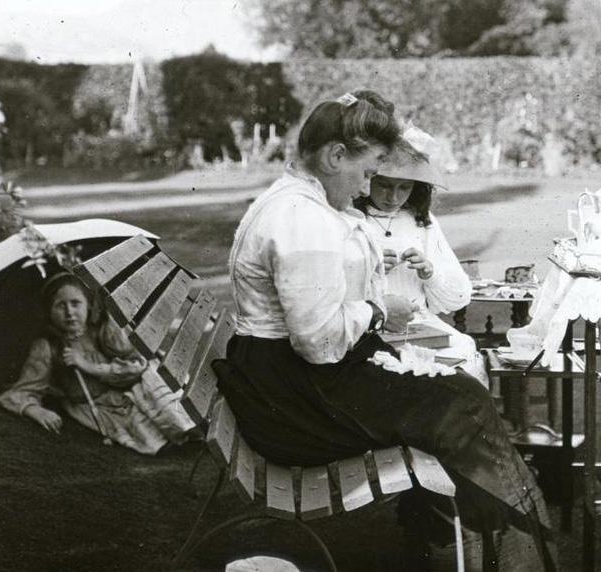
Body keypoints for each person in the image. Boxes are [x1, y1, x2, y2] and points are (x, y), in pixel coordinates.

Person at [221, 89, 556, 570]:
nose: (365, 187)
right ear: (336, 155)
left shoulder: (297, 204)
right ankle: (515, 558)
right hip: (293, 399)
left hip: (285, 383)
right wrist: (377, 311)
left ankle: (470, 546)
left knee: (459, 397)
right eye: (368, 169)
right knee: (464, 404)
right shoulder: (301, 219)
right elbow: (317, 341)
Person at [0, 272, 196, 455]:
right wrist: (35, 410)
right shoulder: (48, 346)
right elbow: (21, 391)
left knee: (153, 378)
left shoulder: (102, 330)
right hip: (100, 405)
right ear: (49, 312)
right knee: (151, 434)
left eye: (76, 303)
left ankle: (188, 426)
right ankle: (173, 441)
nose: (69, 312)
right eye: (60, 306)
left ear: (88, 305)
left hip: (130, 386)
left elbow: (136, 364)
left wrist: (86, 365)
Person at [355, 124, 488, 386]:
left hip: (419, 326)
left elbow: (459, 297)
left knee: (461, 353)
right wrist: (370, 268)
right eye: (383, 185)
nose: (393, 197)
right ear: (368, 178)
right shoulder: (353, 219)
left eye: (404, 188)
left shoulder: (421, 222)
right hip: (366, 326)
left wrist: (430, 273)